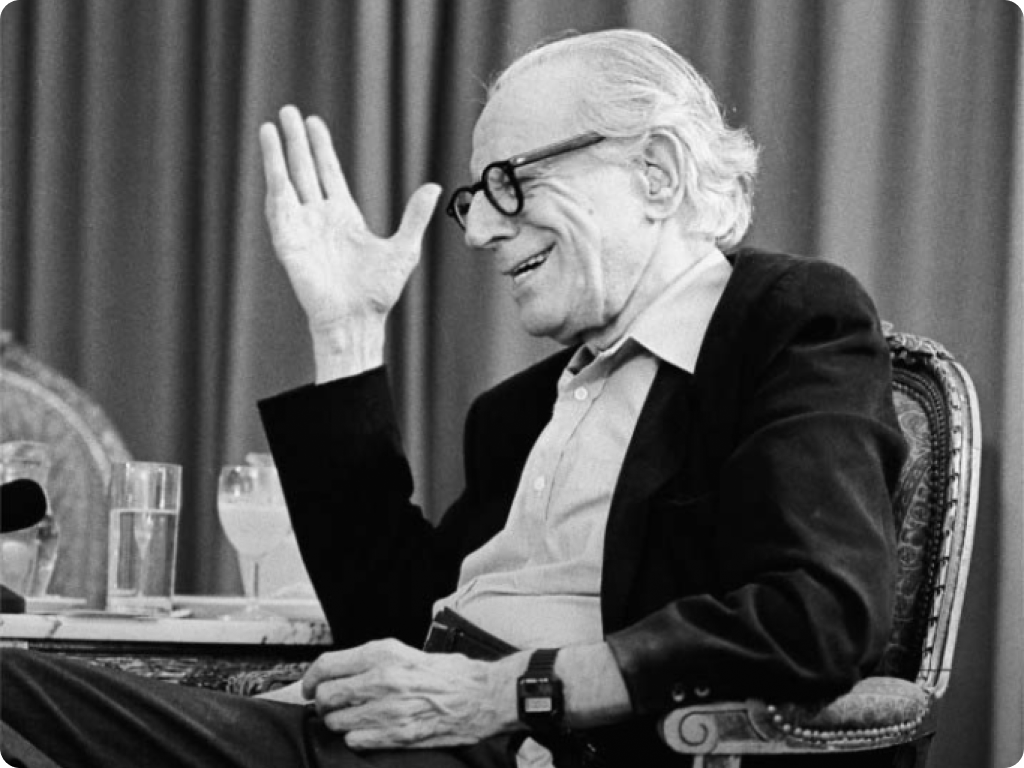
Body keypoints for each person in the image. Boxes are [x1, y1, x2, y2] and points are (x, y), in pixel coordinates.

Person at [1, 28, 906, 768]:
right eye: (476, 197)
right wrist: (346, 333)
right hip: (386, 734)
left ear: (657, 172)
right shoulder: (520, 411)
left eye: (512, 181)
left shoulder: (784, 323)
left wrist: (505, 692)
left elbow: (819, 617)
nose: (479, 231)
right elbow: (390, 621)